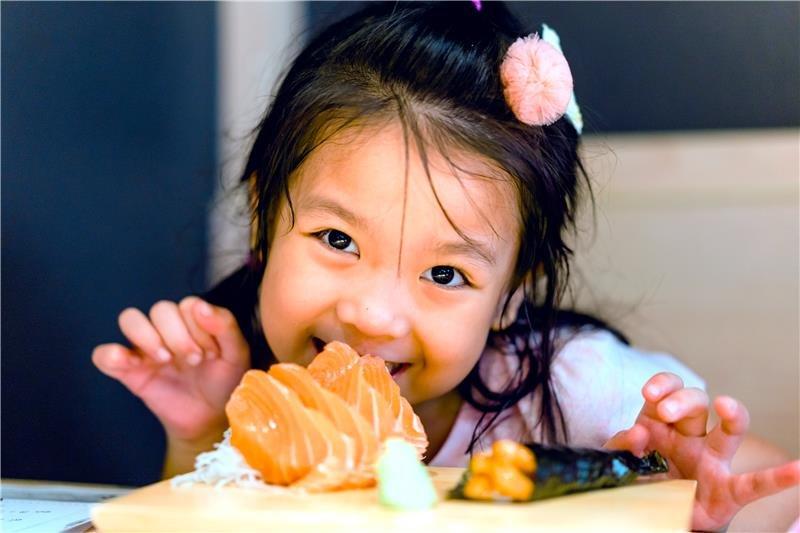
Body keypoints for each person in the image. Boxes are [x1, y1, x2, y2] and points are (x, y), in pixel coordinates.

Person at [92, 2, 798, 530]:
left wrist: (681, 501)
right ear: (263, 218)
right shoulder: (247, 387)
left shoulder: (578, 394)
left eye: (445, 274)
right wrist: (199, 435)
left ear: (507, 296)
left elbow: (777, 493)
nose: (373, 314)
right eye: (338, 239)